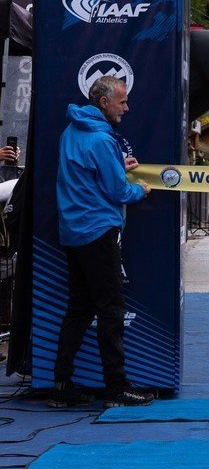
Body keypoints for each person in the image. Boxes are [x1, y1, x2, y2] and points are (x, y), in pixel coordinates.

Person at [48, 76, 155, 409]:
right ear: (104, 102)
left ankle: (61, 384)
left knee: (79, 309)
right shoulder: (103, 139)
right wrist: (143, 189)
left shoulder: (72, 131)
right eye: (122, 101)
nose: (127, 107)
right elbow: (118, 192)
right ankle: (116, 387)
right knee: (111, 310)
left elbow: (87, 172)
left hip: (72, 232)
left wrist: (115, 165)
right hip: (98, 231)